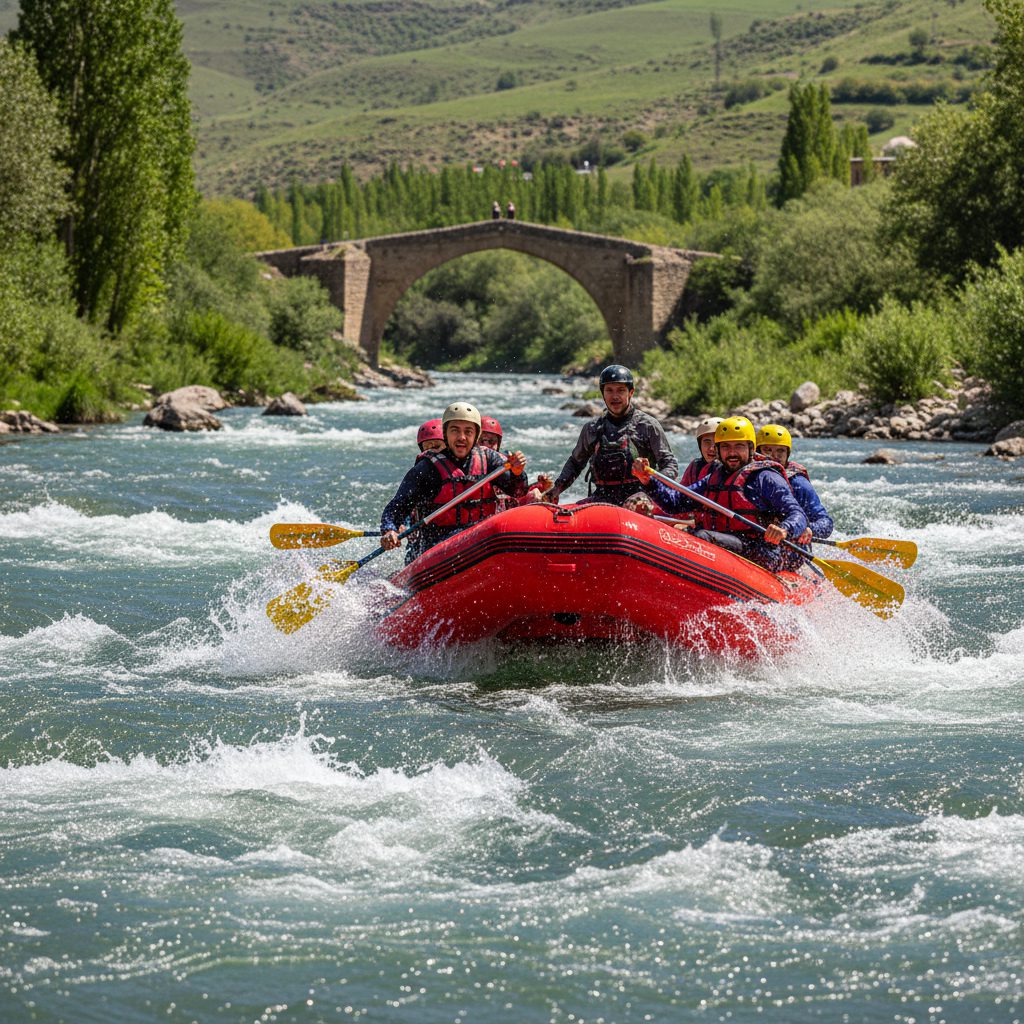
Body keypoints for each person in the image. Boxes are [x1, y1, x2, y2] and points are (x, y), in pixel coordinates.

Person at [631, 416, 807, 573]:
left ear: (751, 448)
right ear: (719, 450)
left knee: (701, 537)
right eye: (725, 447)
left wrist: (784, 529)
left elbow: (797, 514)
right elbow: (674, 504)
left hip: (761, 550)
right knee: (688, 534)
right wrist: (648, 481)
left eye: (738, 446)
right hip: (722, 547)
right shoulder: (714, 478)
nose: (731, 453)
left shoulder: (766, 478)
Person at [380, 402, 528, 560]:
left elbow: (517, 492)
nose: (462, 437)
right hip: (438, 548)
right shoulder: (427, 468)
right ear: (445, 434)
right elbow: (396, 508)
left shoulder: (490, 459)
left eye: (468, 431)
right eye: (455, 430)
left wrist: (517, 473)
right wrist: (390, 530)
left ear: (476, 435)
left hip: (482, 540)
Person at [547, 364, 678, 507]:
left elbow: (670, 465)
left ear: (631, 392)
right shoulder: (592, 429)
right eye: (609, 390)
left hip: (642, 498)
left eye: (621, 390)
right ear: (603, 393)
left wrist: (650, 490)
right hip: (603, 498)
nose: (615, 396)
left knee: (635, 505)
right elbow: (575, 464)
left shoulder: (648, 426)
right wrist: (555, 490)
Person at [755, 424, 834, 547]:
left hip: (789, 546)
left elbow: (826, 522)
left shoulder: (799, 484)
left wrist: (808, 528)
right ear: (757, 452)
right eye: (767, 450)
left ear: (787, 453)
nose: (774, 456)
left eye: (780, 450)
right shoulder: (750, 477)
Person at [478, 414, 554, 506]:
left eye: (491, 441)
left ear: (498, 444)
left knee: (535, 493)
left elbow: (517, 493)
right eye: (481, 441)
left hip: (501, 512)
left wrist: (541, 488)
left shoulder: (506, 462)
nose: (486, 446)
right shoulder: (465, 463)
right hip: (478, 513)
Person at [681, 416, 724, 487]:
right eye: (707, 442)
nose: (711, 448)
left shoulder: (733, 470)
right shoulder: (695, 466)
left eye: (717, 443)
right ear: (700, 445)